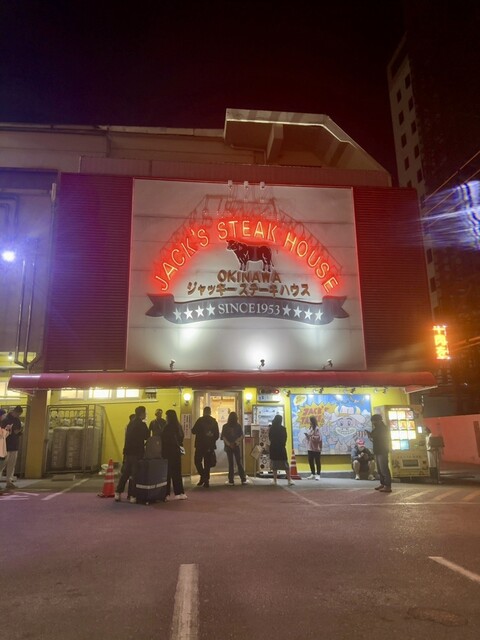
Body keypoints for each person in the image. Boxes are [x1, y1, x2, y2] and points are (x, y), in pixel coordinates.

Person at [115, 405, 149, 503]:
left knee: (125, 473)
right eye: (145, 413)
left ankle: (118, 492)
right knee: (135, 474)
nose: (146, 414)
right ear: (142, 413)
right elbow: (147, 436)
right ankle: (133, 496)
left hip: (128, 452)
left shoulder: (130, 424)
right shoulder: (142, 424)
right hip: (137, 452)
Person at [161, 409, 187, 500]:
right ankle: (179, 492)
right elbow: (181, 438)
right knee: (177, 473)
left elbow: (164, 439)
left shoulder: (167, 427)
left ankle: (166, 494)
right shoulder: (178, 426)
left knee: (167, 474)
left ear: (169, 417)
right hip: (176, 452)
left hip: (168, 453)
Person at [192, 406, 219, 488]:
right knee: (207, 463)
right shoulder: (214, 421)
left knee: (197, 461)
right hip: (209, 446)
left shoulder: (200, 420)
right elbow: (217, 435)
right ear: (210, 412)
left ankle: (203, 477)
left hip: (200, 445)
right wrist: (211, 436)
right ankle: (206, 479)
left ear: (204, 412)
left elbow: (193, 431)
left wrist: (201, 433)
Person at [0, 405, 24, 490]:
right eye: (18, 414)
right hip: (5, 446)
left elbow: (19, 431)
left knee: (11, 464)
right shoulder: (5, 420)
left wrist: (19, 432)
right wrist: (11, 431)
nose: (18, 415)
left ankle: (9, 482)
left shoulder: (17, 420)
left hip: (14, 445)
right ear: (14, 411)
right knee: (2, 465)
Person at [221, 411, 247, 486]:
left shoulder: (225, 426)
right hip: (236, 446)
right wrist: (236, 442)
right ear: (236, 418)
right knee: (239, 462)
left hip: (228, 447)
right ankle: (243, 479)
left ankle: (231, 480)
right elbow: (242, 436)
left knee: (231, 463)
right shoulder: (238, 426)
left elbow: (223, 437)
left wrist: (229, 444)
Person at [369, 414, 392, 493]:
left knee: (384, 469)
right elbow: (373, 436)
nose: (373, 423)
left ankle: (387, 486)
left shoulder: (383, 428)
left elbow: (375, 436)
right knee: (379, 470)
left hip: (382, 450)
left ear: (379, 420)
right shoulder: (377, 428)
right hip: (377, 450)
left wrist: (371, 435)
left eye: (374, 421)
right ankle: (383, 484)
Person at [268, 414, 294, 486]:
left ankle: (275, 480)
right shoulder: (283, 429)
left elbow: (270, 438)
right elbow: (285, 438)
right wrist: (282, 444)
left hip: (273, 448)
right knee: (285, 464)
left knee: (274, 465)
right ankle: (289, 480)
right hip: (281, 448)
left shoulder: (272, 428)